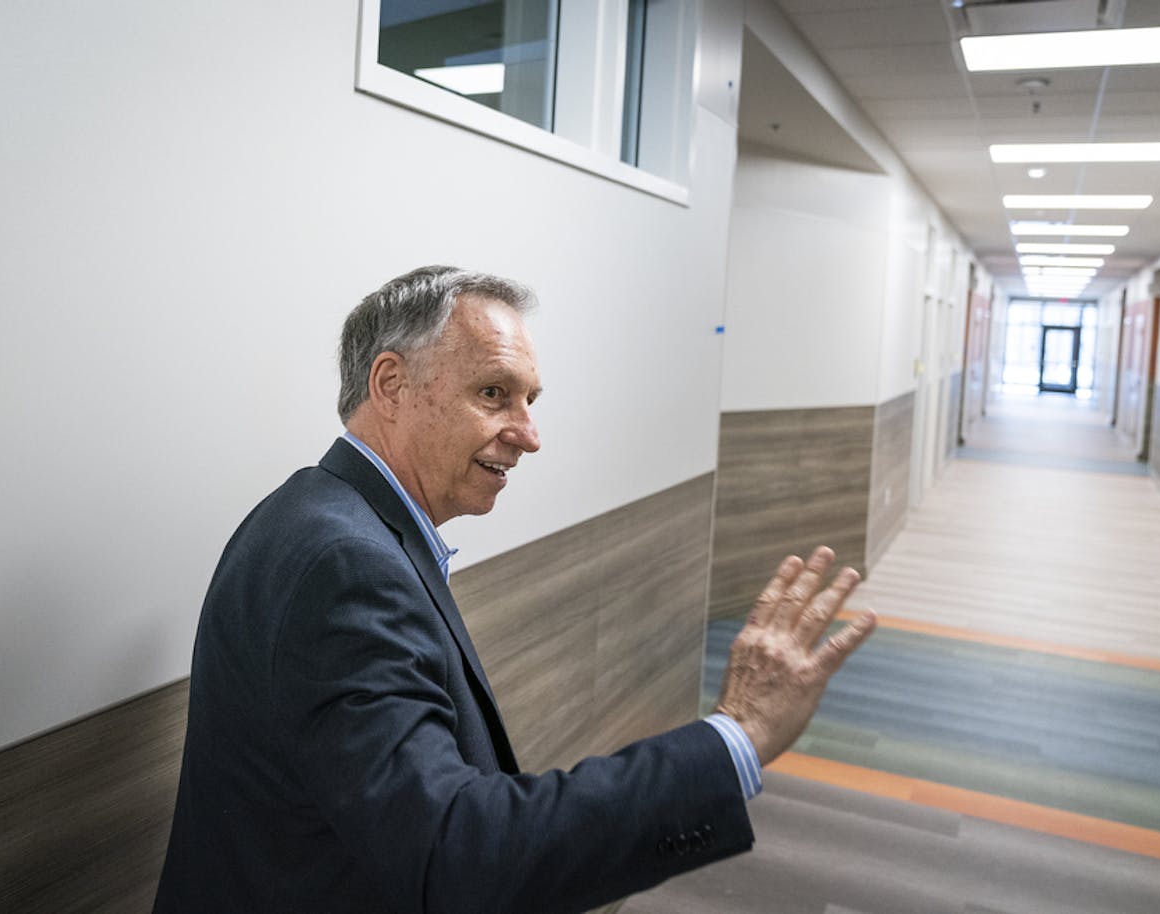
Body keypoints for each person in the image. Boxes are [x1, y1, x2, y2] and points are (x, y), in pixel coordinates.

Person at [152, 266, 877, 914]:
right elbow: (456, 852)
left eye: (530, 400)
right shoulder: (346, 566)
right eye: (493, 394)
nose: (527, 435)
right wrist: (737, 737)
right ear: (391, 386)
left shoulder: (321, 511)